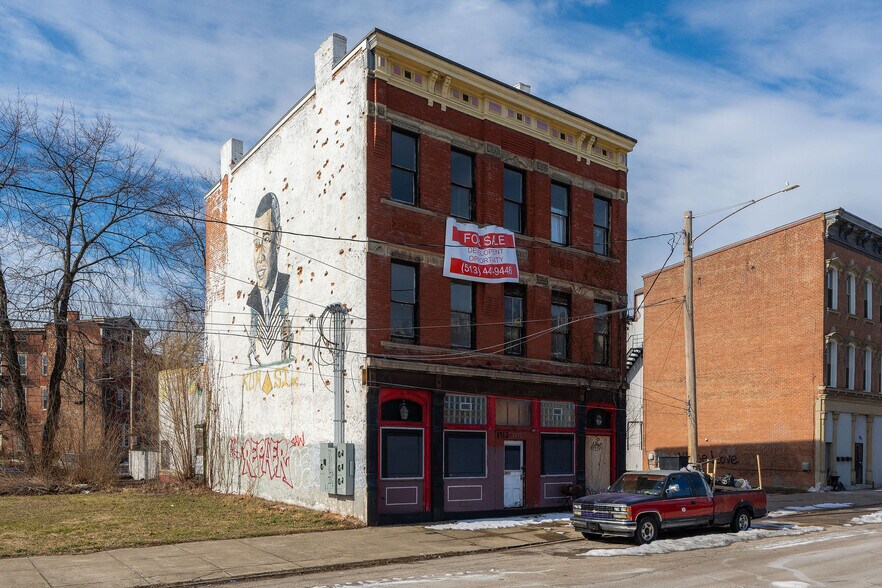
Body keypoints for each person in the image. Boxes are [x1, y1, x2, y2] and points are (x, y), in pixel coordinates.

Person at [246, 192, 292, 366]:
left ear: (278, 239)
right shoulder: (252, 302)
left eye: (266, 239)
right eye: (255, 242)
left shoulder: (287, 290)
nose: (260, 256)